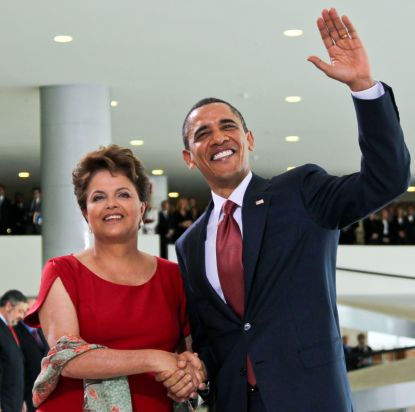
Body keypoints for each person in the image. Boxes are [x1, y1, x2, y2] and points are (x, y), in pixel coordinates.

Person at [157, 8, 411, 412]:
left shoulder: (300, 192)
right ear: (189, 157)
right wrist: (193, 370)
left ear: (249, 139)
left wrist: (364, 87)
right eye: (202, 134)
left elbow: (387, 179)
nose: (218, 138)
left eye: (228, 126)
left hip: (312, 399)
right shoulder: (189, 244)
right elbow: (214, 339)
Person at [25, 145, 205, 411]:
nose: (111, 204)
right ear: (86, 212)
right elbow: (67, 357)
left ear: (142, 207)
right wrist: (154, 359)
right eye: (98, 197)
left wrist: (188, 376)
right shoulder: (62, 271)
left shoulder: (174, 276)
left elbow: (190, 355)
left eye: (123, 194)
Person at [14, 298, 49, 412]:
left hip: (46, 391)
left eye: (35, 309)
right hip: (27, 392)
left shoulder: (43, 330)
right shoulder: (15, 331)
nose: (31, 312)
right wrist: (21, 398)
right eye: (28, 309)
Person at [0, 290, 28, 412]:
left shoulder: (9, 328)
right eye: (20, 311)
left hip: (13, 402)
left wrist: (20, 399)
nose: (22, 316)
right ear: (8, 306)